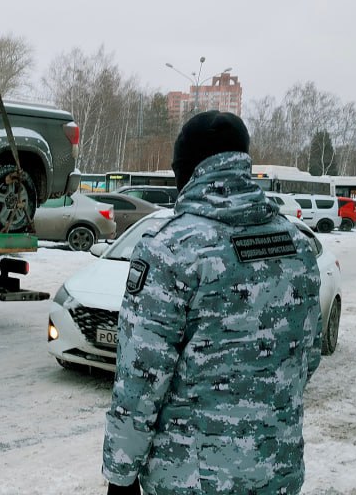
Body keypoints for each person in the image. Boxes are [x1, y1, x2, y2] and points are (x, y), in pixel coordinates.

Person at [103, 110, 322, 495]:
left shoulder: (171, 249)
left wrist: (120, 475)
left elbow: (141, 379)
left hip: (192, 479)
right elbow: (309, 353)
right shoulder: (297, 245)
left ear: (187, 171)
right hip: (277, 471)